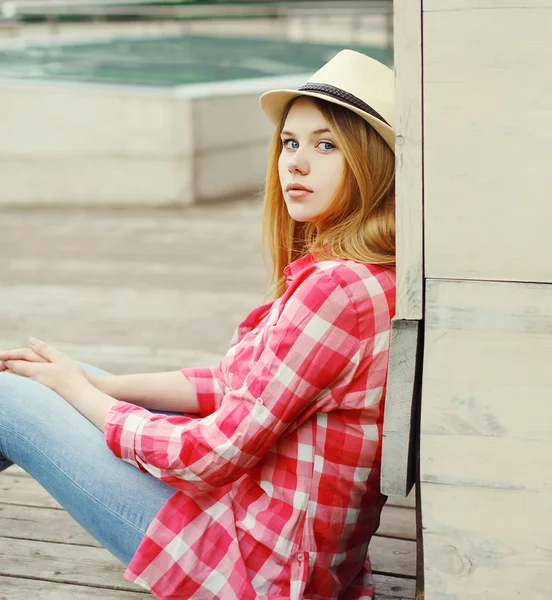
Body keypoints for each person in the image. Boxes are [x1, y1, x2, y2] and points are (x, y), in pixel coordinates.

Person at [0, 49, 396, 600]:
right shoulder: (367, 277)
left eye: (326, 145)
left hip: (252, 569)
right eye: (290, 142)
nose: (296, 163)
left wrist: (82, 395)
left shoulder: (338, 292)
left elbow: (213, 455)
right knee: (48, 373)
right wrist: (99, 385)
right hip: (281, 548)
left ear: (372, 162)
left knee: (8, 391)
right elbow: (239, 387)